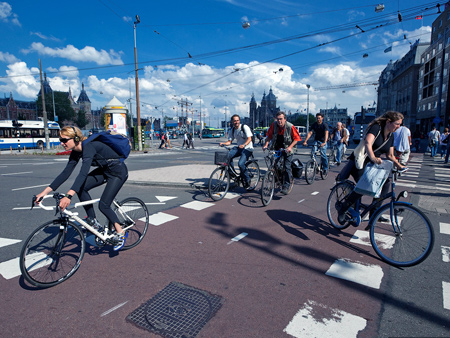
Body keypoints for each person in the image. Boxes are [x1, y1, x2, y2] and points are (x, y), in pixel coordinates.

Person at [35, 126, 129, 251]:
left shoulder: (89, 147)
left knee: (104, 205)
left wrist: (69, 195)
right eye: (60, 140)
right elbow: (65, 173)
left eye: (64, 140)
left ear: (76, 138)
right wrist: (43, 192)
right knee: (81, 188)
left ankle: (120, 231)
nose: (62, 143)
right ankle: (93, 221)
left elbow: (83, 173)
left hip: (118, 172)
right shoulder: (75, 151)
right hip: (105, 170)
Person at [337, 111, 405, 225]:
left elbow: (390, 155)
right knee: (365, 185)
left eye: (400, 124)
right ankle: (343, 208)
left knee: (385, 184)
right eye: (397, 124)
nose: (399, 127)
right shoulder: (376, 128)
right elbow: (368, 143)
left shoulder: (391, 136)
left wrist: (399, 165)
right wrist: (373, 157)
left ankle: (375, 212)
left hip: (374, 164)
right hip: (361, 161)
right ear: (389, 122)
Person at [263, 111, 301, 194]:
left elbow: (297, 138)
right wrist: (266, 145)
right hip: (277, 148)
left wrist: (290, 147)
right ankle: (277, 178)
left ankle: (286, 185)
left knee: (286, 166)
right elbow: (269, 135)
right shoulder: (274, 125)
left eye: (281, 119)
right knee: (273, 163)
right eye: (277, 119)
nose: (279, 121)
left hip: (288, 149)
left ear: (285, 119)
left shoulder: (290, 126)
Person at [220, 114, 254, 188]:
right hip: (239, 147)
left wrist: (244, 145)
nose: (236, 122)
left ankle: (247, 179)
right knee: (228, 155)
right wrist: (223, 143)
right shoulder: (232, 130)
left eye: (237, 120)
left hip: (248, 148)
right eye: (234, 121)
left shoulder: (244, 127)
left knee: (241, 164)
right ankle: (232, 173)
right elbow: (229, 141)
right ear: (232, 122)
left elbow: (249, 139)